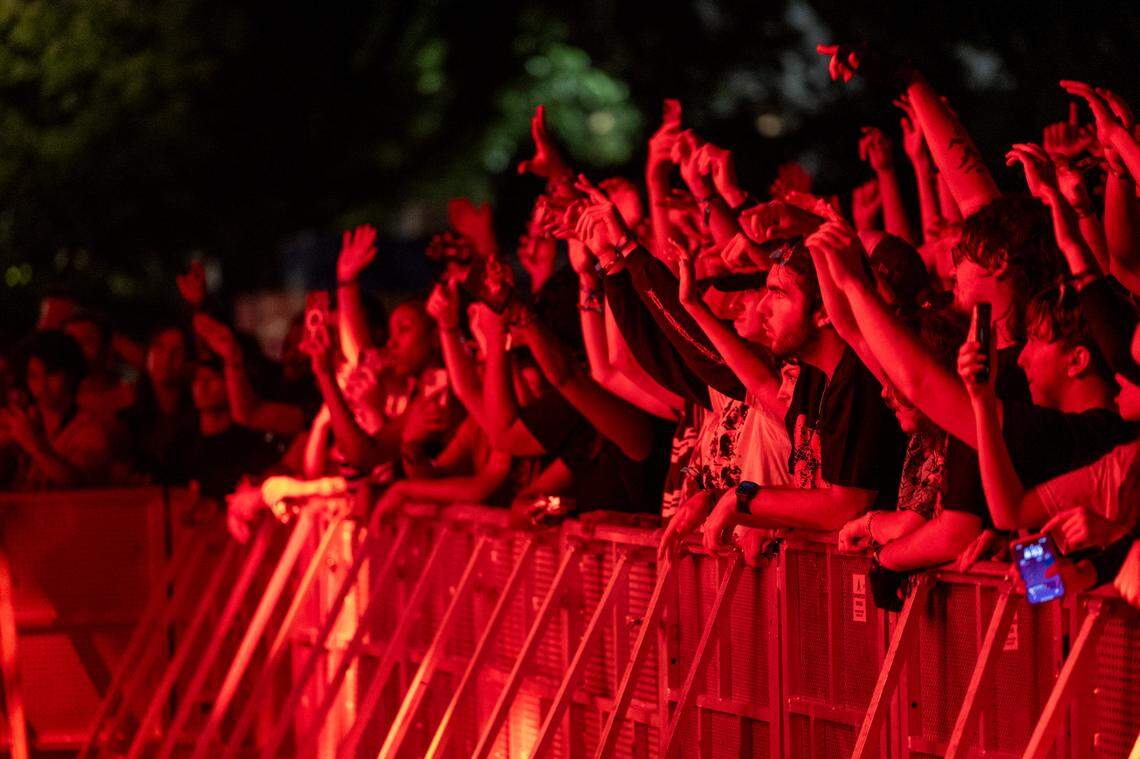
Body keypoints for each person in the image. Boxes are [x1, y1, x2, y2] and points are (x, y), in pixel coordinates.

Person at [0, 331, 115, 489]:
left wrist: (34, 445)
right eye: (33, 376)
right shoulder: (22, 420)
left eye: (51, 374)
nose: (42, 385)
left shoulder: (91, 429)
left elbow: (80, 486)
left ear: (71, 374)